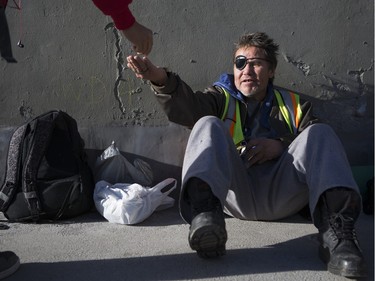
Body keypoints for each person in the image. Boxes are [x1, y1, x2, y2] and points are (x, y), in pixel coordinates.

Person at [126, 32, 367, 278]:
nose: (247, 70)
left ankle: (339, 238)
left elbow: (319, 152)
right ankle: (206, 219)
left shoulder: (294, 105)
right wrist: (158, 78)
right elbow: (189, 109)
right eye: (240, 63)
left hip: (283, 195)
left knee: (321, 133)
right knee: (206, 123)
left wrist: (280, 145)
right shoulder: (221, 98)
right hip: (235, 195)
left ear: (271, 70)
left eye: (256, 63)